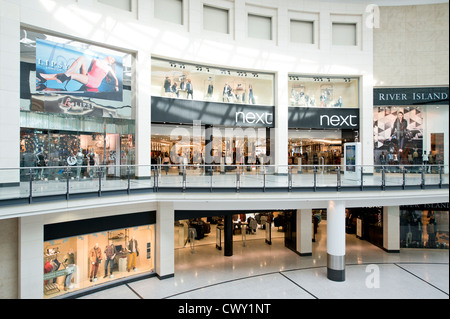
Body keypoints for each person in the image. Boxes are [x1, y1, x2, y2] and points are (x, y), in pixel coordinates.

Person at [37, 56, 119, 92]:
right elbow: (90, 69)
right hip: (88, 76)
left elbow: (115, 79)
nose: (112, 59)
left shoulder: (109, 68)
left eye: (113, 60)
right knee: (82, 58)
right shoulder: (95, 60)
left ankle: (65, 75)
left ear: (111, 63)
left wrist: (116, 88)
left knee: (72, 75)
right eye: (112, 57)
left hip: (94, 82)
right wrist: (84, 74)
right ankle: (45, 77)